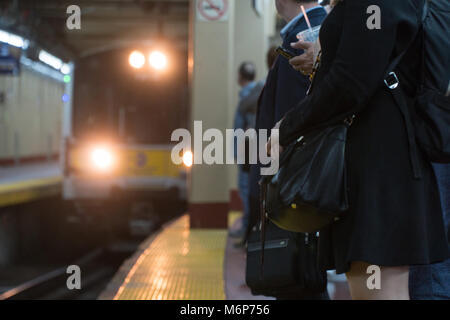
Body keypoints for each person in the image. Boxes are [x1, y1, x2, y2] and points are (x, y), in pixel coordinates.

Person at [267, 0, 450, 300]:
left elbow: (351, 81)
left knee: (379, 291)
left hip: (377, 165)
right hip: (387, 160)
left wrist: (287, 127)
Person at [248, 0, 329, 300]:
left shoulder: (307, 35)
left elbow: (298, 112)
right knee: (300, 276)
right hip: (297, 178)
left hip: (296, 183)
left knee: (297, 275)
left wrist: (272, 181)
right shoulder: (306, 31)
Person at [230, 62, 263, 242]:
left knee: (245, 189)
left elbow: (240, 130)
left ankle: (246, 231)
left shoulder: (245, 97)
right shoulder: (259, 92)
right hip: (256, 150)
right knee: (252, 189)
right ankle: (248, 229)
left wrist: (237, 153)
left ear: (240, 77)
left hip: (247, 151)